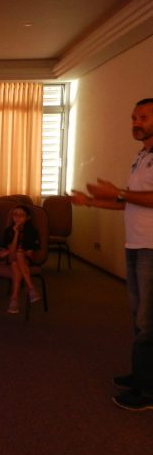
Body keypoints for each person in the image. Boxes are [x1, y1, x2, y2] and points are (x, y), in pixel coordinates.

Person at [71, 97, 153, 412]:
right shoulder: (141, 156)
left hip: (151, 248)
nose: (136, 123)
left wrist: (116, 191)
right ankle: (141, 375)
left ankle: (148, 391)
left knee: (148, 320)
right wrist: (90, 202)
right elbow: (130, 201)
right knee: (139, 317)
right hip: (135, 244)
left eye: (143, 117)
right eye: (134, 117)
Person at [0, 204, 40, 314]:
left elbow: (29, 253)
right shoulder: (8, 230)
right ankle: (31, 288)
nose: (18, 217)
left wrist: (13, 251)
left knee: (16, 264)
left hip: (25, 260)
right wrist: (16, 233)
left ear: (28, 218)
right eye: (15, 214)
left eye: (21, 215)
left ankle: (14, 299)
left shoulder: (31, 231)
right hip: (11, 258)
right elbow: (10, 254)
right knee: (18, 254)